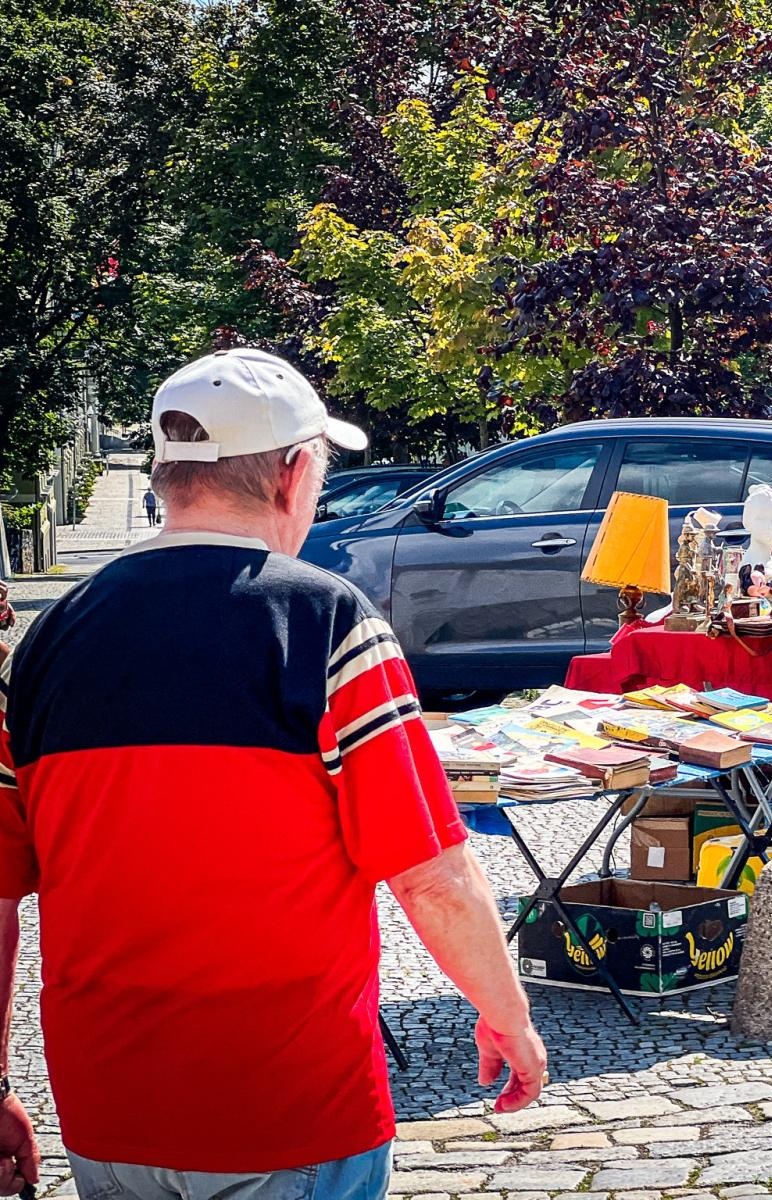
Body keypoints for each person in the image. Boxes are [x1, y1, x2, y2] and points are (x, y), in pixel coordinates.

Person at [0, 348, 547, 1197]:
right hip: (291, 1102)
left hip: (107, 1104)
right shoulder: (325, 621)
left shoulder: (47, 640)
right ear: (295, 474)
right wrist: (507, 1014)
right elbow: (432, 875)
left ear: (167, 472)